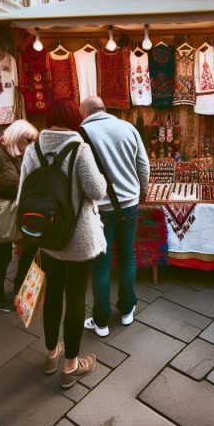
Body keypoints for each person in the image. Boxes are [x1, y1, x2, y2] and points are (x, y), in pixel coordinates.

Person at [18, 99, 106, 389]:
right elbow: (96, 190)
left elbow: (22, 197)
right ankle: (71, 365)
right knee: (77, 297)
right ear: (74, 120)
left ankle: (50, 353)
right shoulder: (80, 149)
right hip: (79, 239)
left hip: (48, 237)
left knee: (53, 295)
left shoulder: (33, 149)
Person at [78, 96, 150, 337]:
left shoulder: (82, 133)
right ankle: (127, 310)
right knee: (128, 255)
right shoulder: (128, 127)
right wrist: (142, 191)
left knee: (101, 265)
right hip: (128, 204)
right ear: (105, 108)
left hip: (99, 209)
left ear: (85, 111)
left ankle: (101, 321)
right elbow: (143, 164)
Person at [0, 119, 39, 312]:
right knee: (3, 256)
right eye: (28, 140)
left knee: (30, 246)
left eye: (33, 141)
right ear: (17, 136)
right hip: (1, 213)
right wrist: (20, 193)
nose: (31, 144)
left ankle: (20, 284)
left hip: (19, 211)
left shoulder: (21, 154)